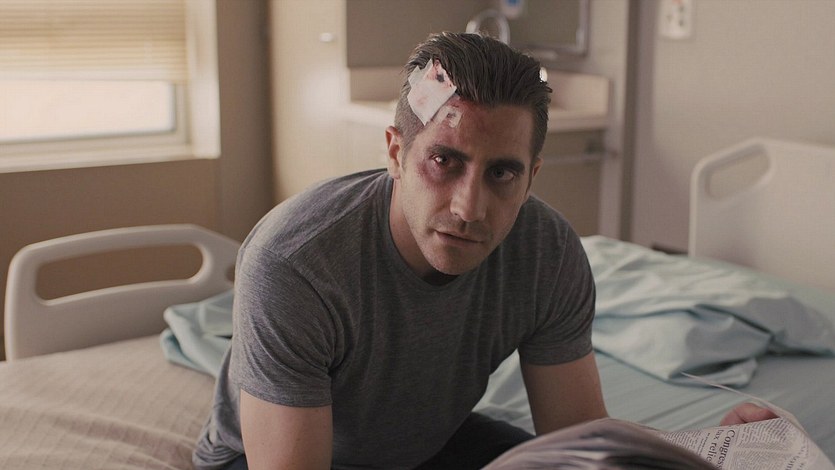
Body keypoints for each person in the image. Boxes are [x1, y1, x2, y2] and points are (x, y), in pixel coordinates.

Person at [193, 32, 775, 470]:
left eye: (502, 173)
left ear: (532, 176)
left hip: (427, 445)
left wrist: (700, 455)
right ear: (396, 154)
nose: (469, 208)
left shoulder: (546, 253)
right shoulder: (296, 264)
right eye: (443, 161)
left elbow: (576, 435)